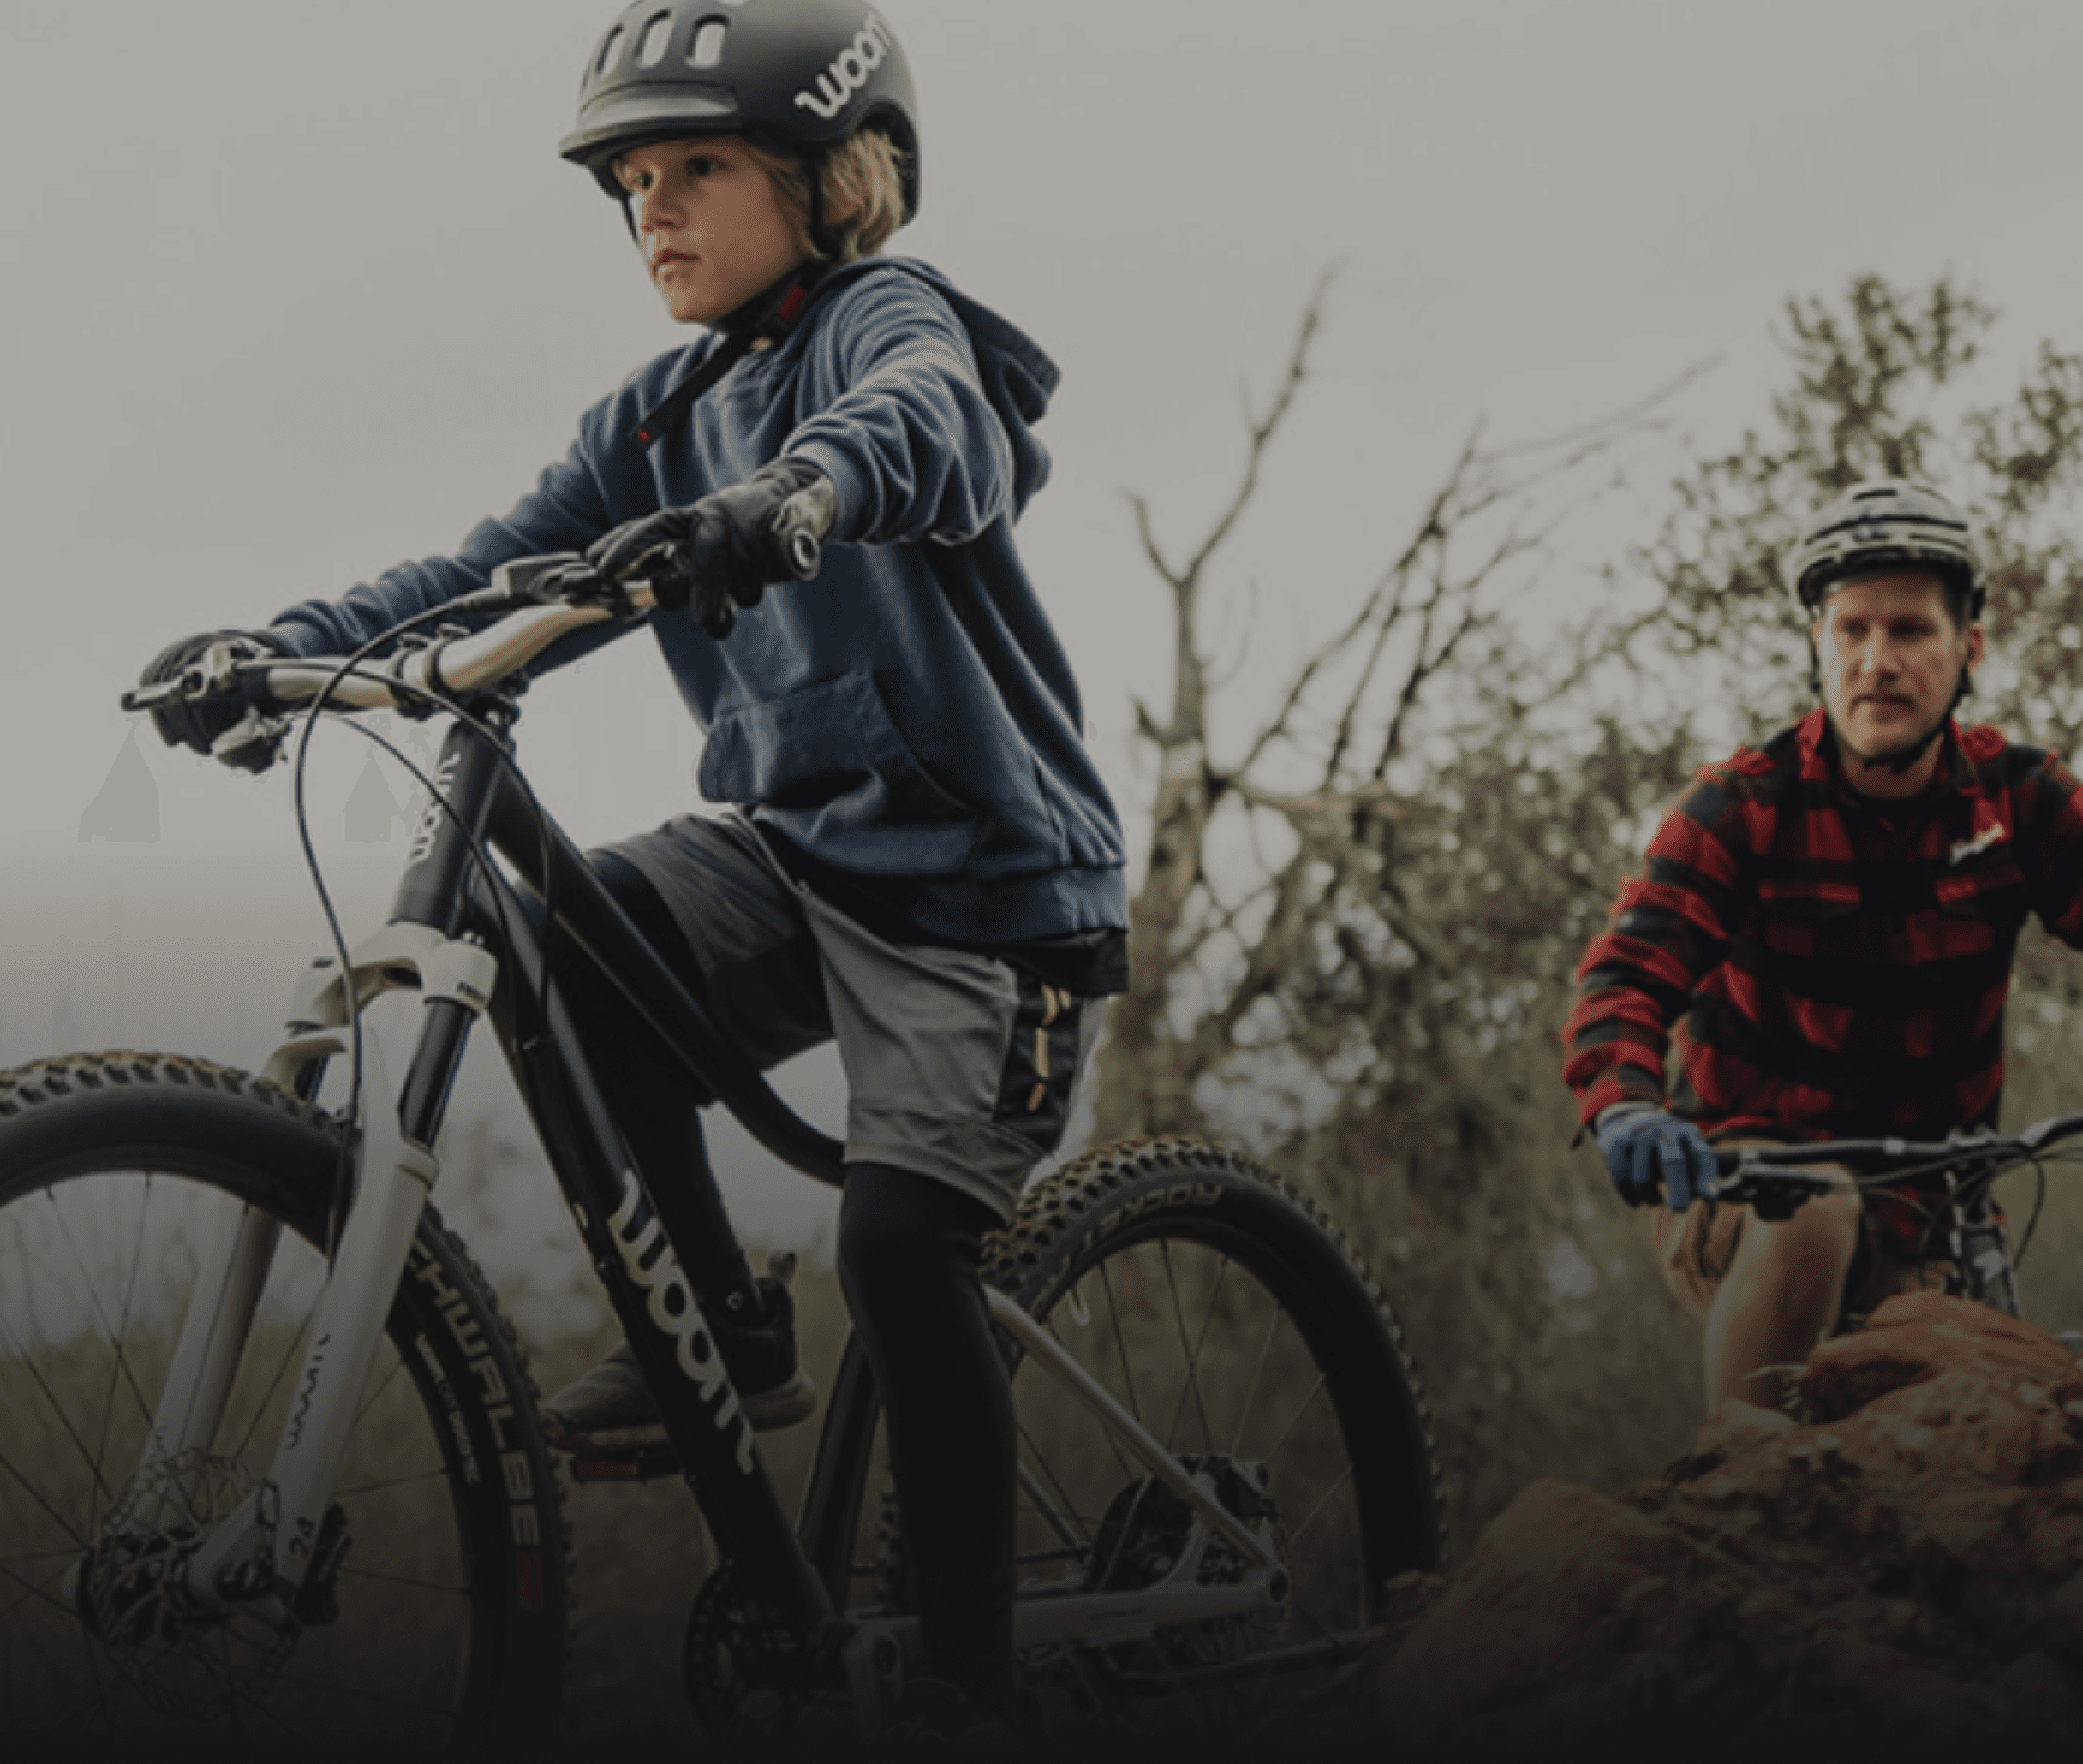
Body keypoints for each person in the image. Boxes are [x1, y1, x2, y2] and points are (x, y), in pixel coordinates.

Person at [136, 0, 1127, 1722]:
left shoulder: (885, 323)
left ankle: (972, 1682)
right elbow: (486, 569)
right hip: (799, 861)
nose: (650, 208)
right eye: (630, 183)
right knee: (569, 942)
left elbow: (924, 423)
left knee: (899, 1254)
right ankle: (736, 1340)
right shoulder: (656, 420)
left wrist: (801, 496)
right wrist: (274, 648)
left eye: (696, 170)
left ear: (827, 179)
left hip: (985, 906)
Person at [1561, 479, 2083, 1413]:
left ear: (1967, 649)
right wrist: (1624, 1107)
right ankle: (1733, 1479)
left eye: (1909, 631)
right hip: (1742, 1188)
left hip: (1927, 1214)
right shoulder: (1742, 805)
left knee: (1990, 1435)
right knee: (1814, 1205)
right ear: (1817, 643)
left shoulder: (2021, 800)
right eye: (1851, 630)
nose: (1875, 661)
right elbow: (1623, 977)